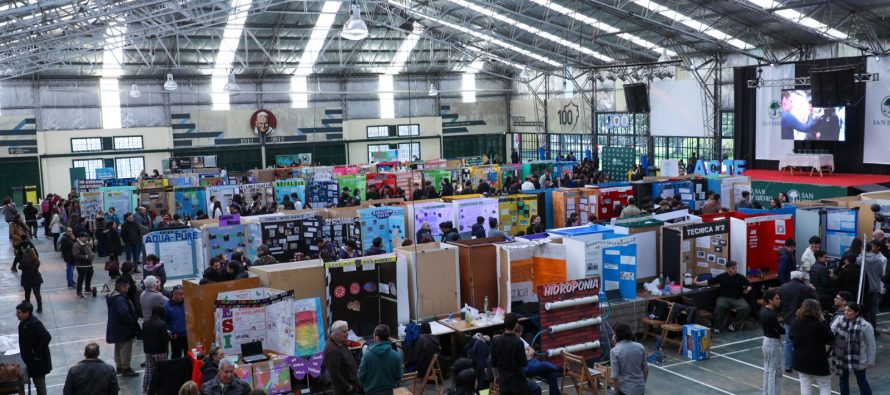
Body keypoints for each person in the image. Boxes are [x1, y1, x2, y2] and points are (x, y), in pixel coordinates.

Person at [788, 299, 833, 395]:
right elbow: (830, 338)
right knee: (824, 385)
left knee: (805, 385)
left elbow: (791, 337)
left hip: (800, 359)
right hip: (818, 361)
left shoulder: (795, 322)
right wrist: (824, 321)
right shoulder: (819, 325)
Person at [830, 303, 875, 395]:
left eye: (849, 311)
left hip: (858, 359)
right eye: (845, 310)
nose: (846, 312)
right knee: (843, 381)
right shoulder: (839, 320)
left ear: (856, 312)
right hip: (842, 357)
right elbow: (831, 331)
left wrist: (870, 361)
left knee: (861, 380)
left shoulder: (865, 326)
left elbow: (871, 345)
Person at [693, 261, 751, 333]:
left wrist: (748, 289)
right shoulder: (722, 276)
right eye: (733, 268)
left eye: (736, 268)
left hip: (737, 298)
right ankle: (717, 327)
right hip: (724, 298)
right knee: (719, 307)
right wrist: (697, 283)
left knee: (746, 307)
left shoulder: (740, 277)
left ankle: (734, 325)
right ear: (728, 269)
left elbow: (749, 285)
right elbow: (709, 281)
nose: (735, 270)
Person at [491, 313, 539, 395]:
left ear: (504, 324)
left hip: (504, 383)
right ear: (516, 325)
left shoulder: (496, 341)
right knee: (535, 389)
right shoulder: (518, 342)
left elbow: (493, 364)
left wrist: (496, 376)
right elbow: (523, 364)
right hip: (518, 383)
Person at [778, 270, 816, 373]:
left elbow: (779, 303)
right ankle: (803, 364)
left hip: (787, 318)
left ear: (791, 277)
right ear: (801, 278)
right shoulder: (806, 289)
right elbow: (814, 303)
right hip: (802, 319)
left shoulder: (783, 287)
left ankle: (788, 366)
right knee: (804, 342)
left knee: (788, 342)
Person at [107, 278, 140, 377]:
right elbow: (124, 313)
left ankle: (119, 366)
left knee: (118, 347)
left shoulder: (112, 296)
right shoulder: (120, 299)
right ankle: (126, 368)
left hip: (116, 327)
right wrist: (132, 323)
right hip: (123, 329)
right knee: (125, 348)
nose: (128, 288)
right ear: (122, 287)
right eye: (127, 286)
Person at [16, 301, 51, 395]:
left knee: (39, 385)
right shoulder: (23, 323)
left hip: (38, 362)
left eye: (19, 312)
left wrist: (36, 354)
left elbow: (46, 337)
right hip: (31, 361)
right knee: (37, 383)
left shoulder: (34, 324)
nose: (17, 315)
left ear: (26, 312)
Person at [358, 324, 403, 395]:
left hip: (371, 392)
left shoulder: (367, 355)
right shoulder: (396, 355)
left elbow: (360, 375)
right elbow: (399, 376)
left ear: (376, 337)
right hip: (391, 391)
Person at [324, 320, 360, 395]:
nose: (347, 333)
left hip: (352, 385)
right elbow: (334, 374)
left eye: (347, 330)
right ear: (336, 334)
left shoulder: (339, 341)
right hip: (346, 391)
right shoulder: (332, 350)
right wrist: (348, 387)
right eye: (344, 331)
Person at [759, 289, 784, 395]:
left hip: (766, 341)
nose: (779, 300)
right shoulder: (771, 315)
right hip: (773, 344)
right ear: (770, 300)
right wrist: (784, 330)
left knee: (768, 370)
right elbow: (779, 329)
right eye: (776, 299)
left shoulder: (763, 311)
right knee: (774, 372)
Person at [142, 305, 170, 394]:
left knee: (149, 371)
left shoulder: (145, 323)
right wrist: (169, 335)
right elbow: (164, 339)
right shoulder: (162, 324)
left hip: (148, 351)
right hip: (160, 352)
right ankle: (162, 388)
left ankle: (146, 389)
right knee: (162, 370)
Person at [860, 240, 886, 331]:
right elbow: (881, 274)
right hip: (875, 288)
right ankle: (873, 329)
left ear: (862, 248)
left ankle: (865, 329)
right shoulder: (879, 260)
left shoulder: (860, 260)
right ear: (871, 249)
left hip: (864, 288)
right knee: (873, 310)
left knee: (863, 309)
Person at [165, 285, 189, 358]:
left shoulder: (186, 303)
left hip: (187, 335)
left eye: (183, 294)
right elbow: (164, 323)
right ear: (174, 294)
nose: (183, 296)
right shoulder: (167, 306)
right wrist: (170, 333)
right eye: (180, 294)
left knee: (189, 355)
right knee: (176, 356)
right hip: (176, 337)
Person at [20, 246, 43, 312]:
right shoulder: (36, 260)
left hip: (26, 279)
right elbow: (34, 269)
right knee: (37, 294)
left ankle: (27, 308)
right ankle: (40, 307)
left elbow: (20, 267)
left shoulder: (24, 260)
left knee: (27, 294)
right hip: (36, 279)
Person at [73, 231, 95, 298]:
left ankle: (87, 288)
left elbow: (89, 250)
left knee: (90, 275)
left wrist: (91, 246)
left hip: (88, 264)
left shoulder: (85, 243)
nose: (87, 238)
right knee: (81, 278)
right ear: (81, 237)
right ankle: (79, 292)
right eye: (85, 237)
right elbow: (76, 255)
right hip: (81, 265)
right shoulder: (76, 245)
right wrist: (85, 257)